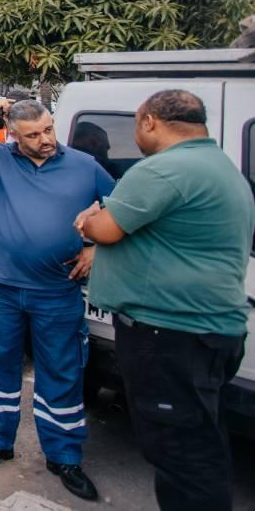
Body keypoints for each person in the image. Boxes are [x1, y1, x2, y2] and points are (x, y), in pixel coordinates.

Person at [77, 90, 254, 511]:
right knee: (200, 443)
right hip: (203, 331)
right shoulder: (217, 165)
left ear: (150, 121)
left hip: (171, 335)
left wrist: (87, 220)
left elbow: (104, 229)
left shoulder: (165, 168)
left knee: (182, 456)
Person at [0, 98, 114, 502]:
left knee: (62, 371)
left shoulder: (84, 165)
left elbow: (122, 210)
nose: (45, 139)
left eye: (48, 129)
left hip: (56, 292)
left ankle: (64, 456)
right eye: (34, 134)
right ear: (14, 136)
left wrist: (97, 248)